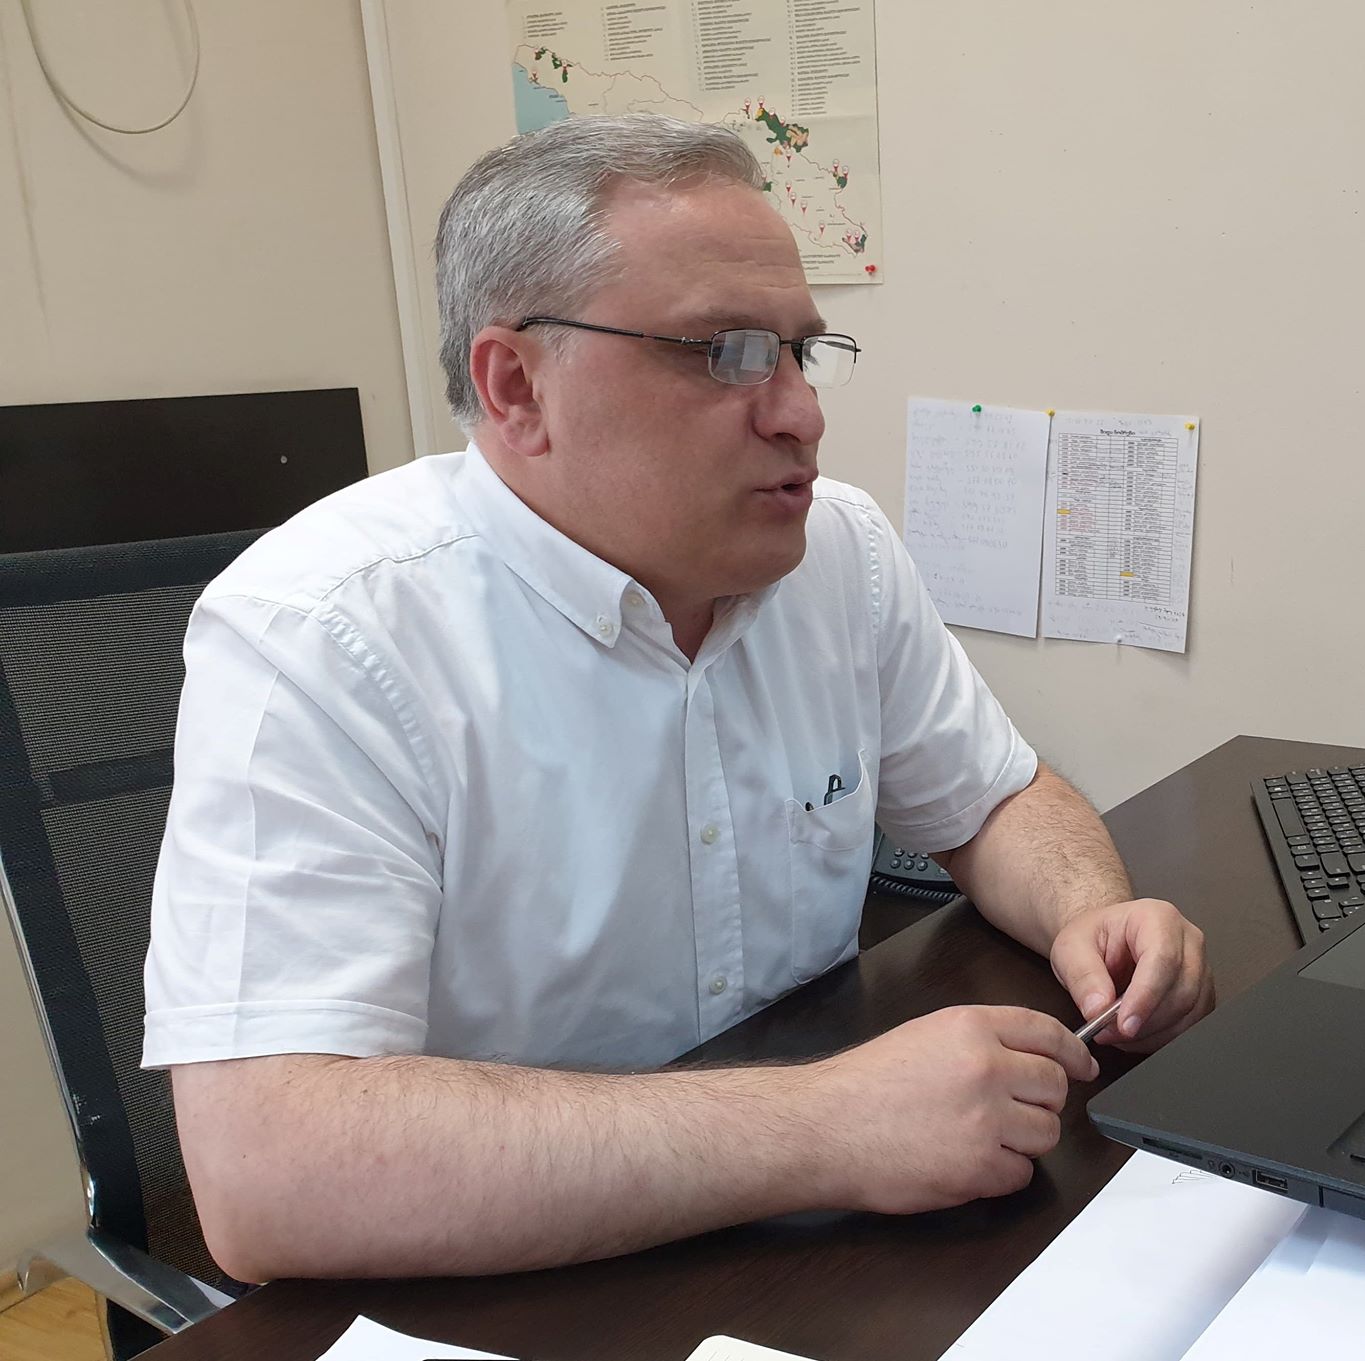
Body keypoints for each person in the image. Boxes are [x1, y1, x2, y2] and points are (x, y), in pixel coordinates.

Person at [140, 114, 1213, 1282]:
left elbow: (993, 797)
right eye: (725, 353)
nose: (799, 411)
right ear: (516, 386)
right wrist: (823, 1125)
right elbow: (268, 1173)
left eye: (801, 351)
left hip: (810, 1245)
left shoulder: (836, 550)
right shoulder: (323, 634)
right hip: (513, 1282)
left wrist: (1086, 911)